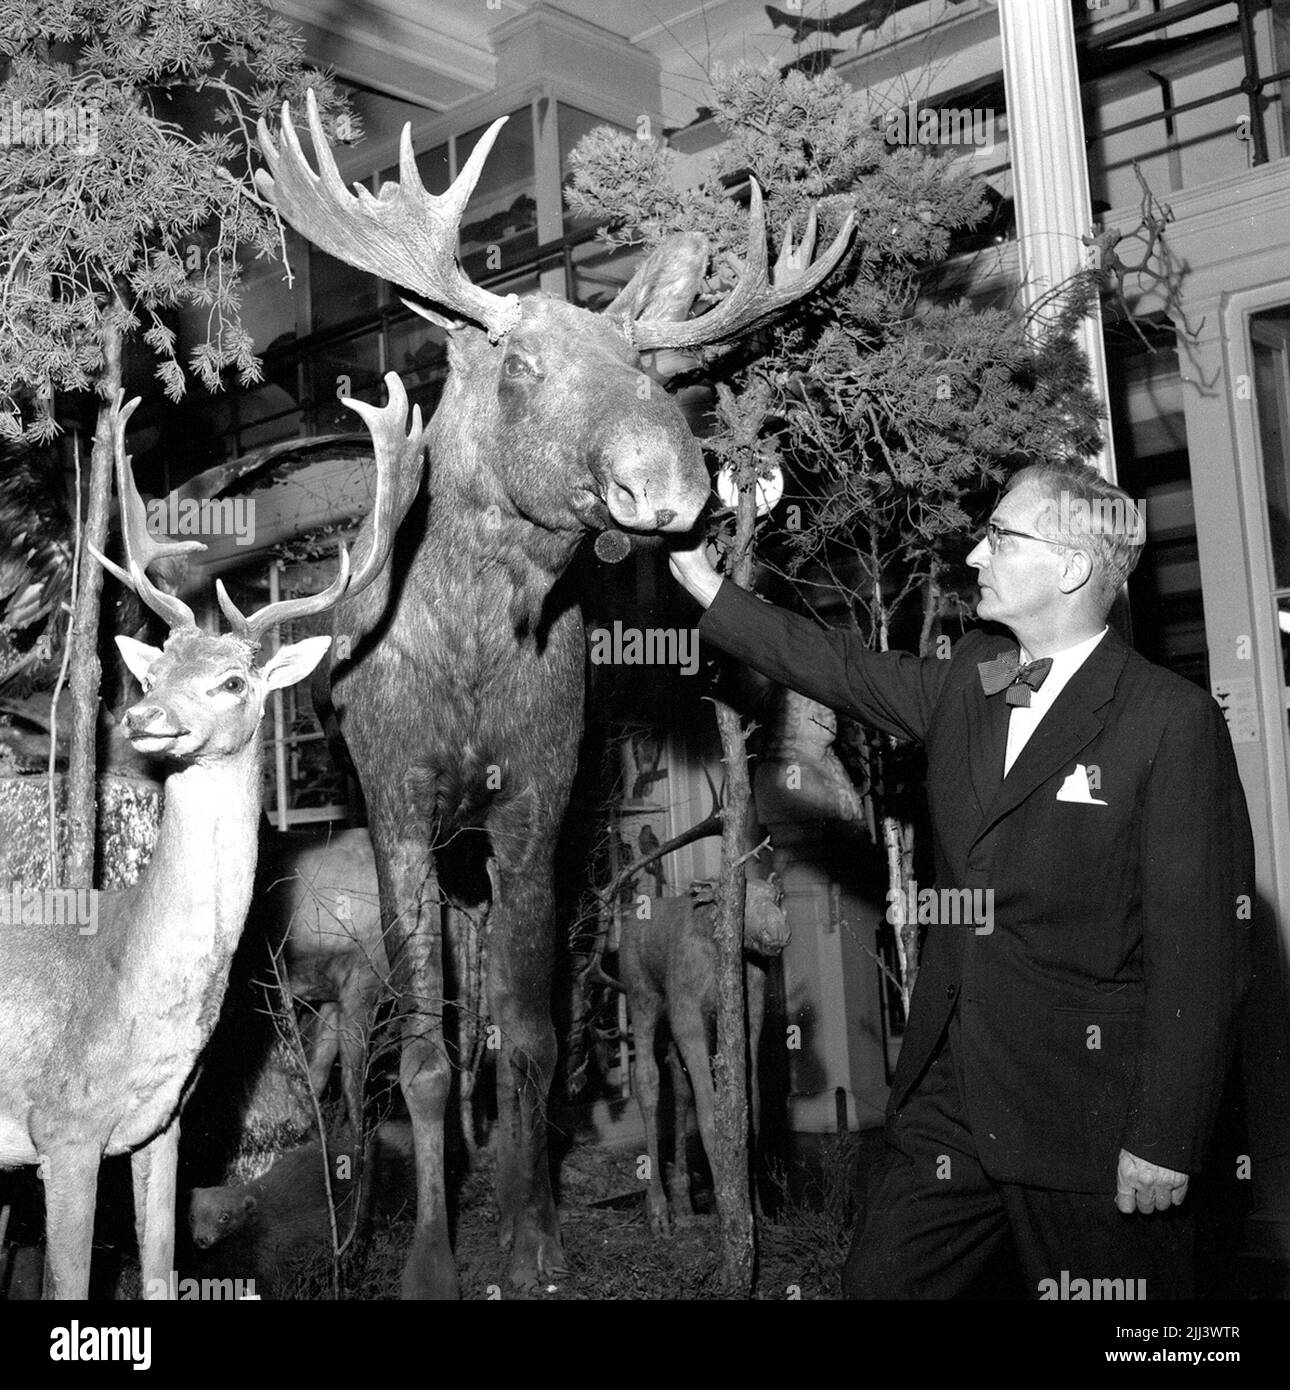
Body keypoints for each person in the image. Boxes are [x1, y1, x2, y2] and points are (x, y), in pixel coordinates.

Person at [668, 459, 1253, 1299]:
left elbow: (1202, 951)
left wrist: (1165, 1131)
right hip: (953, 1098)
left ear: (1072, 567)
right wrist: (700, 579)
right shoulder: (975, 679)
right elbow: (835, 665)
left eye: (1001, 537)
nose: (976, 556)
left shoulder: (1168, 721)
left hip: (1087, 1115)